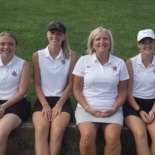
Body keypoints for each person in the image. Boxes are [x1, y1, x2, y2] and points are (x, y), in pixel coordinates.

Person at [73, 27, 129, 155]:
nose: (102, 42)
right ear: (92, 43)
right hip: (86, 109)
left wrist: (114, 109)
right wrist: (88, 108)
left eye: (105, 39)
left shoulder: (119, 63)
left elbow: (123, 91)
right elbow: (76, 89)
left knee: (113, 138)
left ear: (110, 42)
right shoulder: (83, 61)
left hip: (112, 110)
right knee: (87, 135)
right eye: (97, 39)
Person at [32, 21, 76, 155]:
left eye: (59, 34)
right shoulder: (38, 55)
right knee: (40, 129)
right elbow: (37, 84)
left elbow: (71, 83)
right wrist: (45, 105)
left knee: (57, 130)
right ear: (47, 34)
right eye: (52, 33)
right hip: (43, 100)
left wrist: (58, 105)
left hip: (62, 101)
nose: (55, 36)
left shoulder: (71, 55)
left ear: (64, 37)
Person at [123, 29, 155, 155]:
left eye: (150, 41)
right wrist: (139, 110)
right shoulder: (131, 63)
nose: (147, 45)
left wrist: (152, 111)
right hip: (133, 106)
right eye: (143, 42)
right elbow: (127, 92)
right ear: (138, 45)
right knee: (140, 134)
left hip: (153, 106)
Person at [0, 32, 31, 155]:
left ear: (16, 46)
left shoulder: (23, 64)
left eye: (10, 44)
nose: (6, 47)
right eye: (2, 44)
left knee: (1, 132)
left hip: (16, 104)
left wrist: (4, 106)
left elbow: (22, 90)